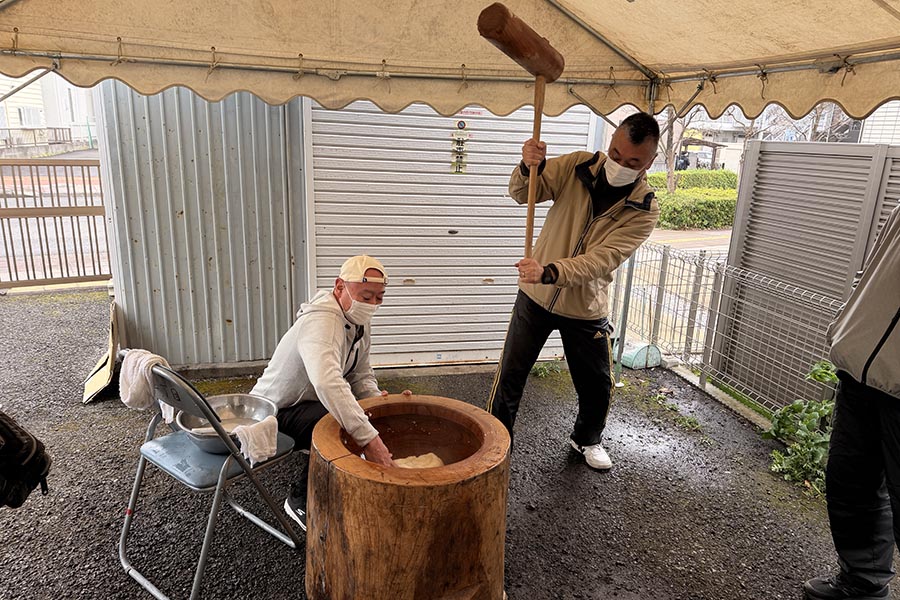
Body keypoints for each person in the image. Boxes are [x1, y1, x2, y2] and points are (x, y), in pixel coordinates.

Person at [486, 111, 661, 471]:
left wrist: (550, 271)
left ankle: (586, 439)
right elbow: (523, 194)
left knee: (597, 383)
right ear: (610, 142)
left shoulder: (644, 209)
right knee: (510, 375)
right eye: (615, 154)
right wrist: (527, 165)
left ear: (651, 161)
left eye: (632, 162)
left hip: (585, 305)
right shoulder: (577, 166)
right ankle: (497, 443)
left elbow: (602, 259)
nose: (620, 165)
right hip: (535, 298)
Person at [251, 254, 407, 531]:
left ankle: (343, 476)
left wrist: (375, 402)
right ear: (339, 287)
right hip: (272, 414)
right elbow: (327, 382)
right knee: (339, 423)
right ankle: (300, 498)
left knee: (358, 416)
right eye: (365, 296)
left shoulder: (358, 321)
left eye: (379, 297)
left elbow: (361, 374)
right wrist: (370, 440)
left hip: (307, 405)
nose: (371, 305)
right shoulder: (321, 321)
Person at [803, 204, 900, 600]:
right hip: (860, 370)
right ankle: (862, 581)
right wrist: (846, 323)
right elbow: (875, 270)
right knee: (851, 483)